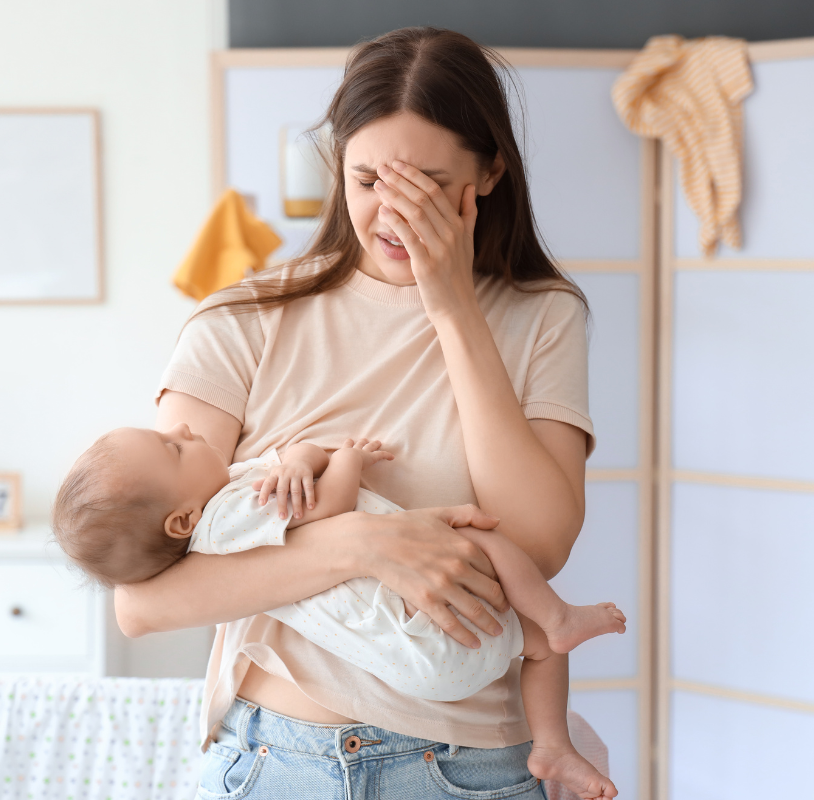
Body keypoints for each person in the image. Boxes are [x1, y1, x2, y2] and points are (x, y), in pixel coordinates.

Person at [114, 26, 618, 800]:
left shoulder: (539, 318)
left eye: (424, 183)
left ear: (486, 175)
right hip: (274, 761)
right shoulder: (240, 322)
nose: (392, 212)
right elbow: (145, 599)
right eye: (368, 180)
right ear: (337, 168)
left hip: (467, 771)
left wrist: (452, 309)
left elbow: (540, 544)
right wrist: (365, 546)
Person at [55, 429, 626, 797]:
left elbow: (288, 463)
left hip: (427, 662)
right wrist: (347, 458)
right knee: (484, 546)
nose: (180, 430)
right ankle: (557, 625)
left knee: (525, 639)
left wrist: (301, 457)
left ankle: (553, 746)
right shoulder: (226, 517)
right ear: (180, 521)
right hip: (423, 637)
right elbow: (331, 504)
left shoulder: (222, 500)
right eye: (171, 448)